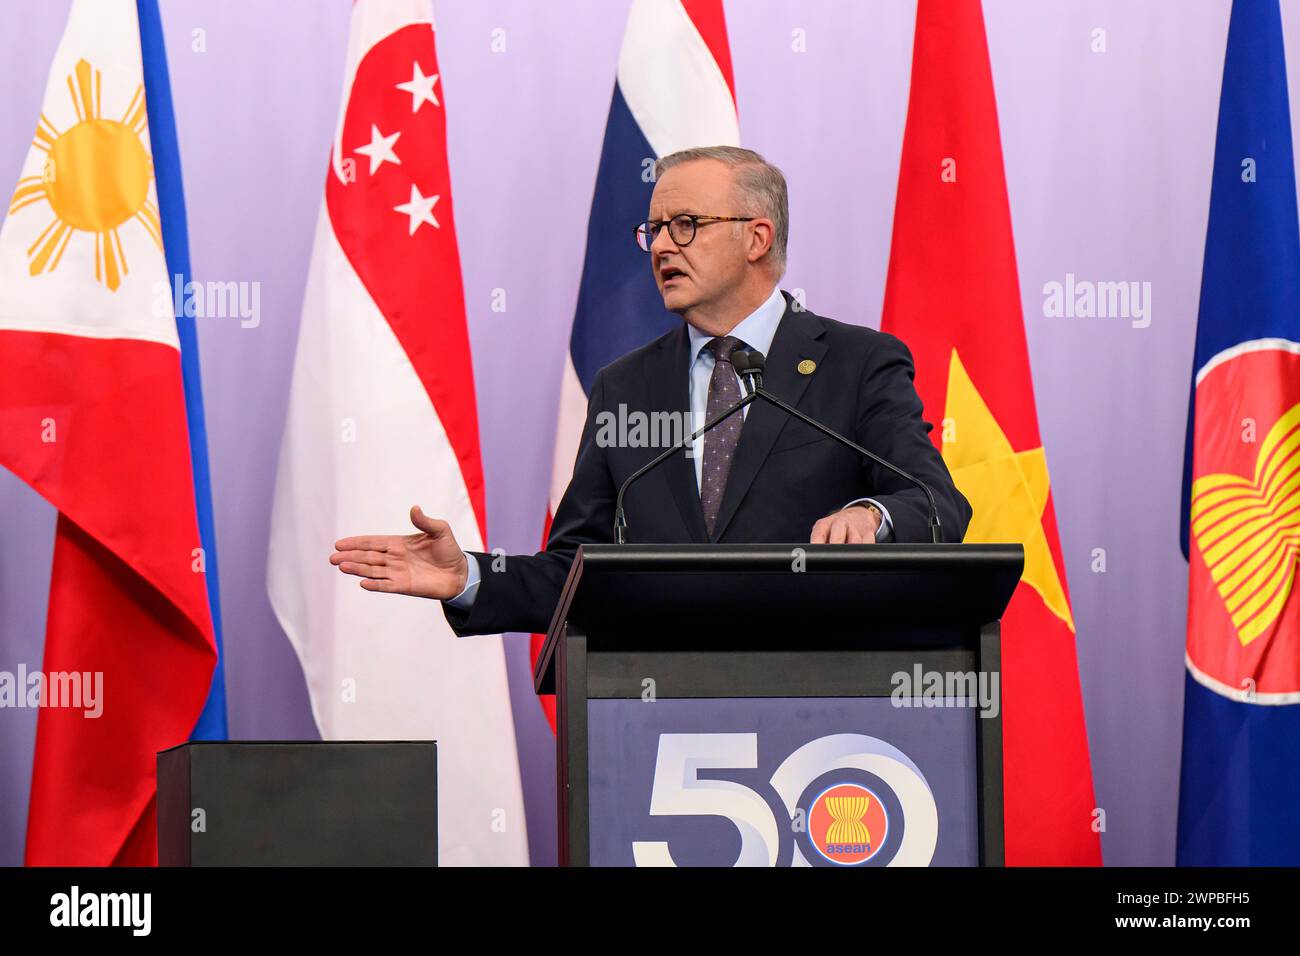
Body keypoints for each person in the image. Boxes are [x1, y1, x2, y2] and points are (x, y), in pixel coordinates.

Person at [330, 146, 971, 636]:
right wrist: (469, 575)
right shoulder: (624, 387)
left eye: (686, 224)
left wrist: (875, 517)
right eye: (655, 229)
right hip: (660, 722)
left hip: (820, 710)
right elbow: (576, 571)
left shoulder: (857, 363)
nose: (661, 245)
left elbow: (937, 504)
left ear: (757, 237)